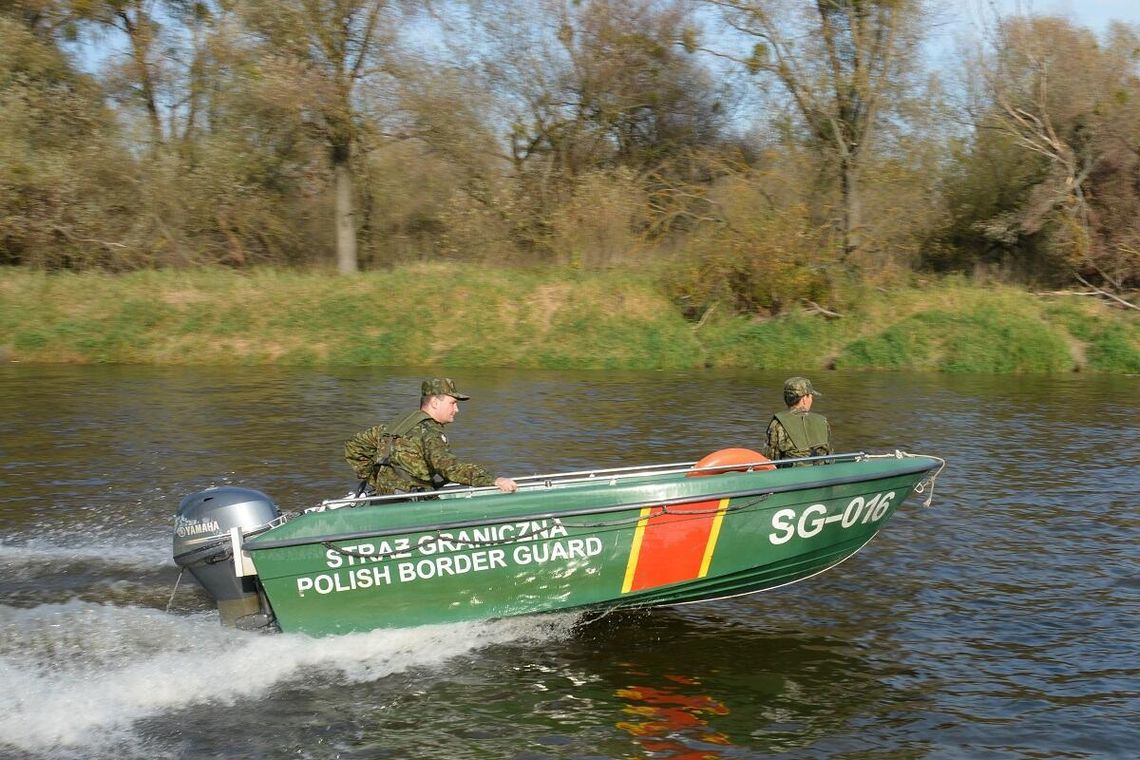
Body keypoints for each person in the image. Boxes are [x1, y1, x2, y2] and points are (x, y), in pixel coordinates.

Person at [345, 378, 518, 495]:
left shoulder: (394, 426)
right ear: (435, 402)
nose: (456, 409)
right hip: (412, 505)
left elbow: (354, 447)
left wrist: (375, 480)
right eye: (453, 403)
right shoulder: (429, 433)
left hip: (386, 499)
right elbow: (450, 469)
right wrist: (493, 480)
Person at [765, 376, 832, 466]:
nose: (811, 400)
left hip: (793, 473)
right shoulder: (823, 421)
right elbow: (829, 454)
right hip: (822, 472)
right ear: (804, 399)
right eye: (811, 396)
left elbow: (770, 460)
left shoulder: (777, 424)